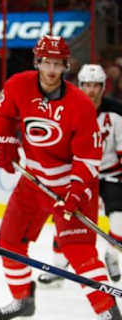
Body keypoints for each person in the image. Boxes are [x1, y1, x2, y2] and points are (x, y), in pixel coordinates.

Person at [0, 35, 121, 319]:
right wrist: (2, 140)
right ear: (37, 62)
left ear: (65, 66)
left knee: (79, 250)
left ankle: (108, 310)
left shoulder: (81, 105)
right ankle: (22, 299)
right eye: (46, 62)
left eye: (58, 64)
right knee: (9, 239)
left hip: (72, 185)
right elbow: (6, 113)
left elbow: (88, 158)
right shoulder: (18, 85)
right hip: (34, 181)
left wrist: (75, 192)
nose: (51, 70)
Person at [38, 64, 122, 287]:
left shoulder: (116, 113)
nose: (91, 90)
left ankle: (112, 257)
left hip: (110, 176)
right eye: (87, 85)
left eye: (96, 86)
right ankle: (58, 266)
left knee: (119, 222)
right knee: (66, 218)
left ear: (103, 87)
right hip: (80, 175)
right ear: (80, 85)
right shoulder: (65, 109)